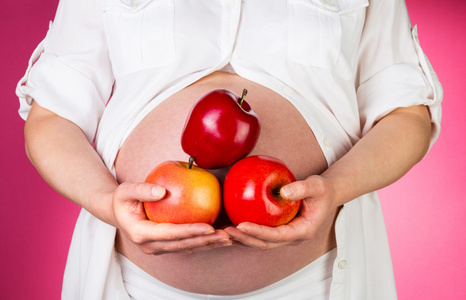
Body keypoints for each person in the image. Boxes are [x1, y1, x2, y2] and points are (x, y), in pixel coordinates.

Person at [16, 0, 442, 299]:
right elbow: (53, 116)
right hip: (135, 285)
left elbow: (406, 115)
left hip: (315, 283)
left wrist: (335, 188)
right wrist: (106, 203)